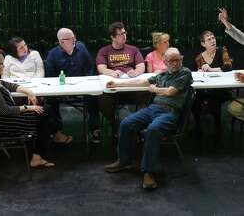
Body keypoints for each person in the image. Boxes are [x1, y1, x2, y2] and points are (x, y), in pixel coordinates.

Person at [104, 48, 193, 189]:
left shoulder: (185, 73)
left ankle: (148, 172)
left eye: (178, 60)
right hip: (154, 108)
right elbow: (142, 82)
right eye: (172, 61)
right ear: (165, 62)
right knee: (126, 123)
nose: (176, 63)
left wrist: (154, 89)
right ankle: (124, 161)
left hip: (170, 112)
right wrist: (118, 84)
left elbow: (171, 91)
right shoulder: (162, 75)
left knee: (153, 129)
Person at [0, 52, 55, 167]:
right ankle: (37, 155)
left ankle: (37, 153)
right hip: (5, 123)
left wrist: (29, 92)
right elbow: (6, 110)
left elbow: (12, 86)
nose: (3, 66)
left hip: (6, 119)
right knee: (44, 114)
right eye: (1, 64)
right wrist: (28, 107)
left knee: (45, 112)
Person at [46, 28, 101, 143]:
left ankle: (94, 129)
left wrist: (87, 81)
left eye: (74, 37)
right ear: (62, 42)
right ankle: (57, 131)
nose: (74, 40)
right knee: (49, 99)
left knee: (94, 95)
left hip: (83, 86)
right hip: (62, 89)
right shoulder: (53, 54)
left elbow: (90, 66)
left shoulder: (81, 47)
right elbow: (50, 76)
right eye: (71, 39)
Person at [96, 21, 148, 135]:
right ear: (112, 37)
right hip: (113, 87)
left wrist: (136, 72)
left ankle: (140, 124)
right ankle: (114, 123)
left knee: (147, 92)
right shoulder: (104, 51)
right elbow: (101, 68)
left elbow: (141, 66)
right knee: (103, 97)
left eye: (124, 33)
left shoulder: (133, 49)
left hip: (130, 85)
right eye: (120, 34)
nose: (124, 36)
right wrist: (111, 72)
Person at [192, 30, 233, 138]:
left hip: (221, 87)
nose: (212, 40)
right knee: (196, 100)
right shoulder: (199, 57)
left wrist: (211, 69)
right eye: (209, 39)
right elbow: (199, 73)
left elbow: (228, 66)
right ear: (203, 44)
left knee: (215, 96)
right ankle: (197, 125)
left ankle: (217, 125)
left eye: (213, 38)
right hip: (205, 86)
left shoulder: (222, 50)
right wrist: (200, 72)